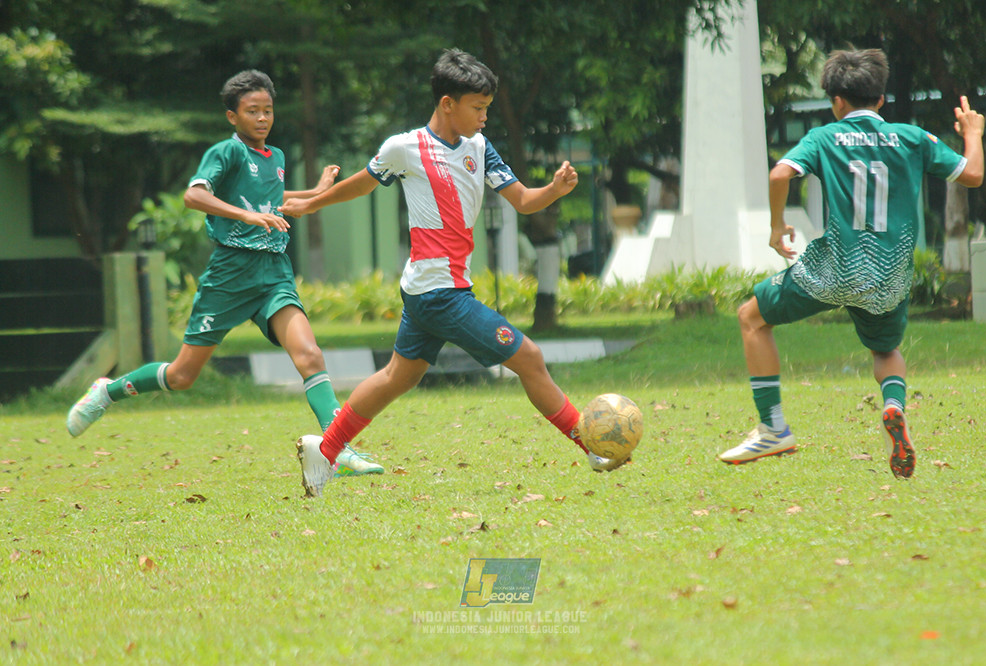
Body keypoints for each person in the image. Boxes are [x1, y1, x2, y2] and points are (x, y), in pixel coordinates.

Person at [280, 48, 624, 498]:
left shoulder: (480, 148)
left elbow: (522, 200)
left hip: (431, 291)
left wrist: (554, 190)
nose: (484, 117)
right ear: (447, 103)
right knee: (530, 358)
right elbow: (362, 183)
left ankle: (323, 452)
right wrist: (309, 203)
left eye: (487, 108)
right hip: (439, 294)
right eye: (477, 108)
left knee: (396, 378)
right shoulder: (405, 147)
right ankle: (591, 444)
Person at [66, 69, 383, 477]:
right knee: (182, 376)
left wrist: (316, 191)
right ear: (233, 116)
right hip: (230, 275)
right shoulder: (226, 152)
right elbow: (195, 195)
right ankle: (106, 391)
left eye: (268, 110)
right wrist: (246, 216)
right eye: (253, 111)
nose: (263, 118)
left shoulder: (278, 157)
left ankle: (336, 448)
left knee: (309, 354)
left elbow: (273, 196)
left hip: (273, 273)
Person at [719, 48, 985, 478]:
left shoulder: (825, 138)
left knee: (752, 317)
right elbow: (972, 175)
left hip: (835, 271)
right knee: (886, 350)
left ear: (836, 102)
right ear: (880, 99)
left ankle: (773, 429)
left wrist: (775, 227)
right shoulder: (910, 138)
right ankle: (894, 406)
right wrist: (972, 132)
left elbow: (779, 174)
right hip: (890, 274)